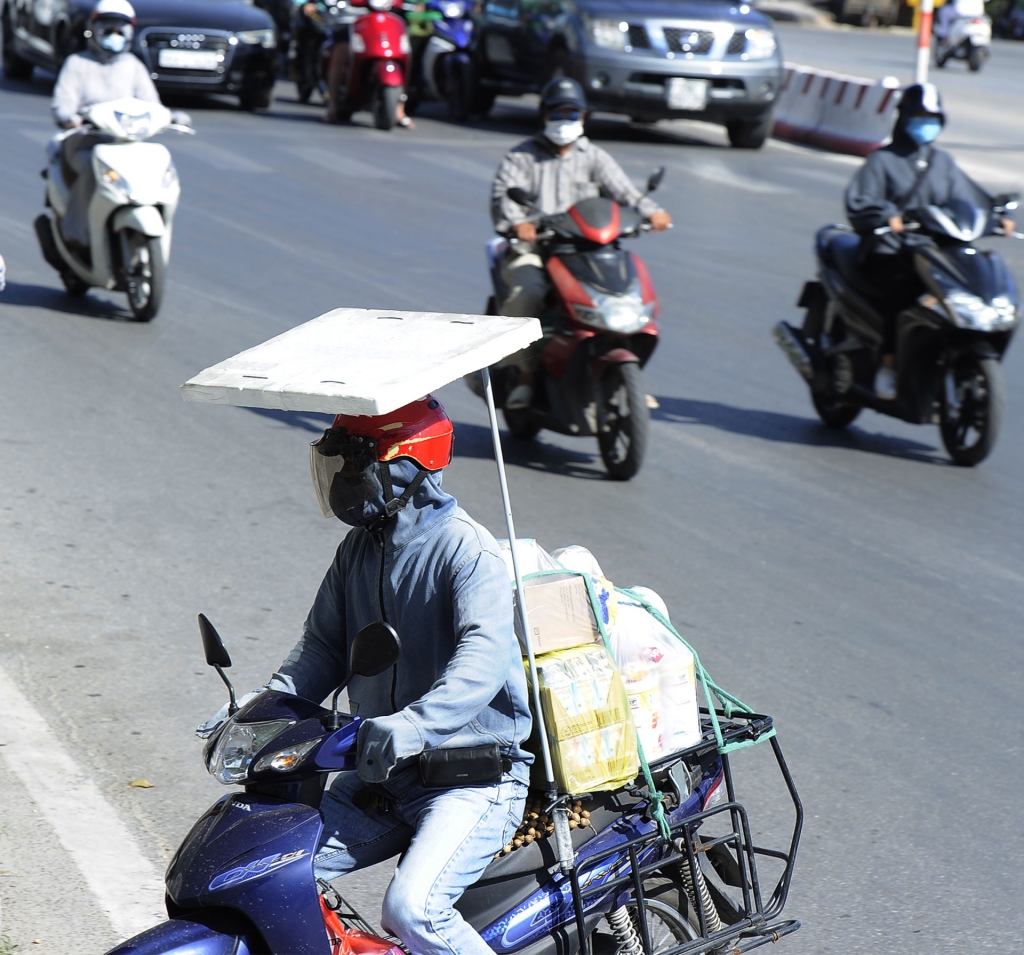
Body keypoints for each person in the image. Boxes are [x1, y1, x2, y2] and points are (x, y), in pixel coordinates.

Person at [199, 397, 532, 955]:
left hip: (471, 781)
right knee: (259, 865)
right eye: (340, 464)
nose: (344, 480)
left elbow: (483, 659)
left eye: (356, 463)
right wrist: (260, 710)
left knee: (411, 911)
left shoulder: (468, 553)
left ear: (407, 464)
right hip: (384, 776)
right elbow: (321, 650)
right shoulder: (358, 549)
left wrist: (414, 726)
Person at [490, 77, 672, 410]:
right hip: (537, 249)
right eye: (558, 112)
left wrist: (654, 212)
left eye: (572, 113)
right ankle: (526, 378)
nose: (565, 120)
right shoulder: (522, 157)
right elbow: (504, 197)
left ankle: (626, 376)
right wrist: (520, 224)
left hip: (588, 250)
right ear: (544, 114)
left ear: (584, 117)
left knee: (630, 290)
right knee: (526, 294)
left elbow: (625, 193)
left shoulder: (595, 157)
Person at [845, 82, 1015, 400]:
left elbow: (971, 197)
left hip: (936, 252)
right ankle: (889, 366)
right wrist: (886, 217)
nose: (926, 123)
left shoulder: (943, 164)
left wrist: (997, 215)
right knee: (904, 292)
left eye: (932, 117)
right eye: (919, 116)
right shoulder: (882, 161)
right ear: (904, 117)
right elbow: (861, 201)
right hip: (890, 252)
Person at [50, 0, 160, 251]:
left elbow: (152, 105)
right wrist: (70, 118)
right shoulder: (78, 63)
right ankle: (76, 232)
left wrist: (171, 116)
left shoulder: (133, 67)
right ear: (94, 30)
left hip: (126, 145)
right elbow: (63, 103)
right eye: (107, 29)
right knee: (94, 166)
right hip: (85, 143)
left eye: (120, 29)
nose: (114, 35)